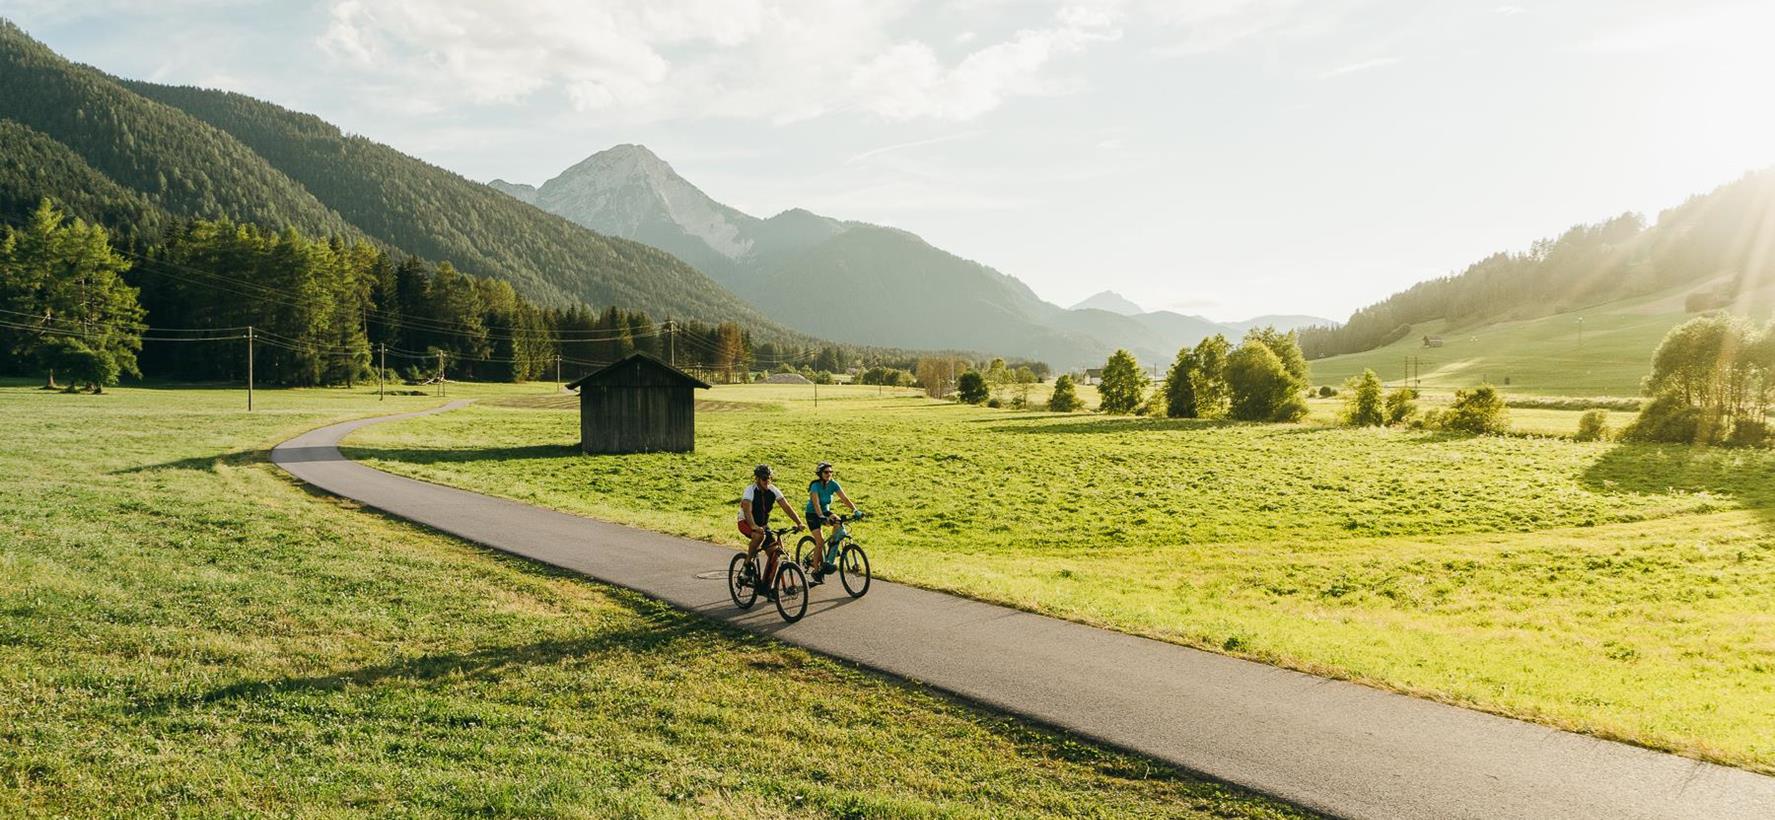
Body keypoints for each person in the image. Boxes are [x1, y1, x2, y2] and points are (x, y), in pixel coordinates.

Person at [739, 464, 804, 599]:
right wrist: (753, 526)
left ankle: (766, 587)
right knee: (758, 536)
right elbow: (747, 511)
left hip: (763, 525)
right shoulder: (750, 490)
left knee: (774, 555)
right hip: (745, 522)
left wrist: (798, 522)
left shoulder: (773, 490)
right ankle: (747, 565)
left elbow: (786, 506)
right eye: (764, 478)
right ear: (757, 479)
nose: (767, 481)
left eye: (769, 478)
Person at [804, 461, 858, 583]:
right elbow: (816, 504)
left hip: (825, 511)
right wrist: (822, 517)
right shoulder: (815, 486)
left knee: (839, 522)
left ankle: (832, 543)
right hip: (813, 514)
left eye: (831, 472)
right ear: (820, 473)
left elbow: (844, 498)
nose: (829, 474)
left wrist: (855, 510)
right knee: (820, 541)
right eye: (826, 472)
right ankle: (816, 571)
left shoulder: (833, 484)